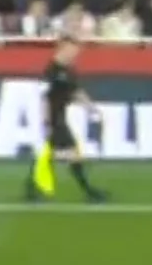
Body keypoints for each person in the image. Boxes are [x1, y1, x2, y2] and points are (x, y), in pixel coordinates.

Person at [25, 42, 108, 203]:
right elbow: (45, 98)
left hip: (60, 117)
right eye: (71, 50)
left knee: (60, 154)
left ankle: (32, 188)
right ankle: (90, 192)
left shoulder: (69, 71)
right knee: (69, 155)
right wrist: (46, 121)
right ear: (62, 49)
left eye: (76, 51)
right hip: (53, 118)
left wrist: (91, 108)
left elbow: (75, 92)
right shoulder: (52, 70)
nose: (74, 54)